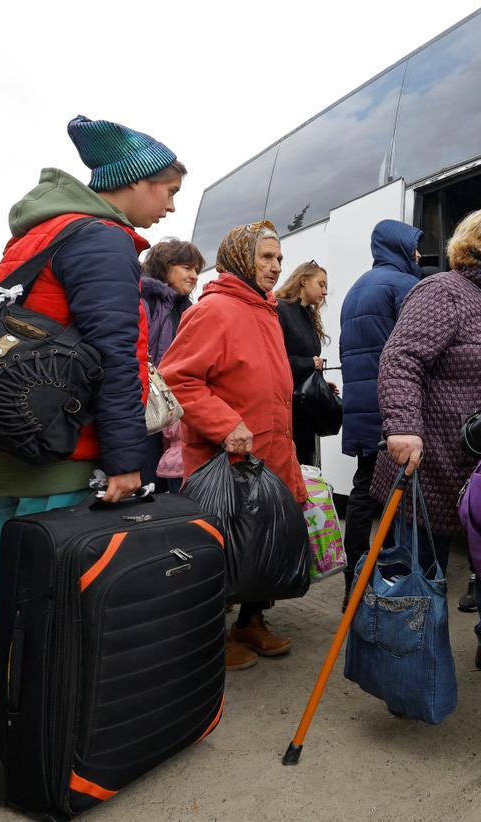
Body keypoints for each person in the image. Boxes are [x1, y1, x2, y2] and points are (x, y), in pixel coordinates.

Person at [0, 114, 184, 748]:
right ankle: (29, 708)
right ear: (133, 181)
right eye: (166, 188)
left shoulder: (39, 233)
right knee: (50, 582)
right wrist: (123, 459)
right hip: (60, 438)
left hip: (12, 432)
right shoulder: (100, 238)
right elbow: (114, 350)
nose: (170, 204)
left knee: (11, 565)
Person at [372, 206, 481, 689]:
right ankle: (408, 659)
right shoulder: (441, 291)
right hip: (430, 462)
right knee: (422, 571)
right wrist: (403, 426)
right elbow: (402, 358)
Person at [161, 220, 308, 673]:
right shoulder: (216, 310)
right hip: (226, 457)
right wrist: (225, 424)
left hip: (270, 451)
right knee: (224, 549)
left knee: (262, 544)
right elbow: (176, 378)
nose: (275, 265)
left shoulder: (265, 308)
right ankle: (209, 635)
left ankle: (250, 622)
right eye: (266, 257)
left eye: (279, 258)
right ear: (242, 258)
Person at [338, 220, 424, 609]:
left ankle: (354, 577)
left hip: (361, 404)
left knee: (363, 491)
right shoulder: (402, 286)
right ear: (401, 247)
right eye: (416, 247)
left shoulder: (357, 288)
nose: (420, 255)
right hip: (392, 407)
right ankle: (387, 581)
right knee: (397, 498)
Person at [139, 238, 205, 491]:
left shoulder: (188, 308)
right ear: (165, 266)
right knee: (148, 483)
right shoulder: (146, 302)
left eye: (196, 270)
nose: (194, 275)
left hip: (177, 409)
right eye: (187, 268)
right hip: (146, 407)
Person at [275, 260, 331, 466]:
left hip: (305, 406)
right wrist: (309, 364)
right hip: (288, 409)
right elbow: (275, 361)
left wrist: (321, 383)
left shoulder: (307, 314)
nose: (325, 291)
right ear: (303, 281)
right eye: (321, 284)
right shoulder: (281, 309)